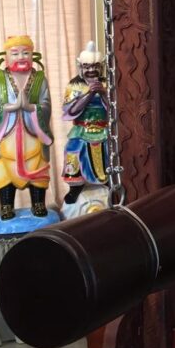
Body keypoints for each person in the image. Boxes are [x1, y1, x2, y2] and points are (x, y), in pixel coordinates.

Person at [0, 34, 56, 228]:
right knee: (3, 170)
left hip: (33, 131)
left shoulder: (40, 79)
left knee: (37, 167)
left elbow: (46, 104)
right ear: (6, 57)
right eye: (15, 53)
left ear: (33, 55)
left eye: (25, 53)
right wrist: (9, 108)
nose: (21, 57)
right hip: (6, 132)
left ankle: (38, 203)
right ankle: (6, 205)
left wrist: (31, 108)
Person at [61, 41, 110, 218]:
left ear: (101, 66)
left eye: (95, 66)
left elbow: (115, 107)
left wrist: (103, 92)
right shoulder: (74, 85)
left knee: (108, 153)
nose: (91, 70)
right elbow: (70, 110)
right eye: (87, 66)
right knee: (73, 151)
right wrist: (89, 94)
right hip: (81, 129)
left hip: (103, 128)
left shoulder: (108, 83)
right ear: (80, 66)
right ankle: (75, 187)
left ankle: (108, 182)